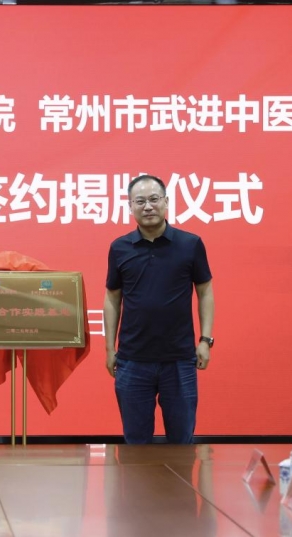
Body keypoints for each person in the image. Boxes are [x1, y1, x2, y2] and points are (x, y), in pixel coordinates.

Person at [103, 174, 215, 444]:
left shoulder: (190, 244)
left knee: (181, 442)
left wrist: (205, 340)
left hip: (179, 360)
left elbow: (205, 292)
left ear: (166, 202)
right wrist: (109, 348)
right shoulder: (119, 248)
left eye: (154, 199)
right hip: (132, 360)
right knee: (135, 443)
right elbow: (112, 298)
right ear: (130, 206)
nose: (148, 206)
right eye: (140, 201)